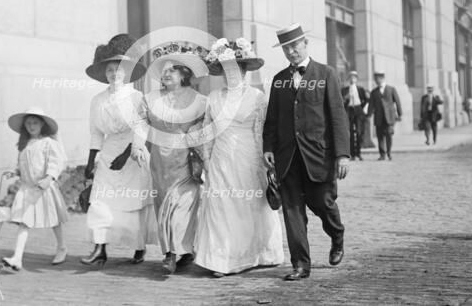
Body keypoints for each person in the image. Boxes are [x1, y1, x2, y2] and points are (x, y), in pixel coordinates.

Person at [263, 23, 350, 281]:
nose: (291, 52)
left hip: (318, 156)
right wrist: (268, 148)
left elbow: (338, 117)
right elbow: (272, 119)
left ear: (305, 44)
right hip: (287, 157)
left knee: (323, 202)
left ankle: (337, 234)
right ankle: (301, 264)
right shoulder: (279, 80)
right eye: (286, 48)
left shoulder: (326, 74)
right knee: (292, 211)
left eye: (294, 46)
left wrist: (342, 155)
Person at [195, 38, 285, 278]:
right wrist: (206, 158)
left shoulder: (257, 98)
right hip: (220, 158)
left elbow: (264, 130)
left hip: (248, 157)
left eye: (236, 69)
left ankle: (257, 253)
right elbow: (208, 130)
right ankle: (222, 260)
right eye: (226, 70)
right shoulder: (213, 97)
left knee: (250, 206)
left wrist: (266, 161)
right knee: (220, 207)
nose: (231, 74)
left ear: (244, 70)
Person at [82, 34, 157, 267]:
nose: (114, 75)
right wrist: (91, 160)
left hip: (133, 152)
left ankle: (138, 247)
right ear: (105, 74)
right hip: (107, 154)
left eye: (119, 70)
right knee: (100, 201)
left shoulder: (136, 98)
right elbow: (96, 132)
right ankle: (100, 248)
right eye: (110, 71)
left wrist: (126, 156)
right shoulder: (97, 101)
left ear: (126, 73)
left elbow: (141, 127)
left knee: (131, 203)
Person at [142, 46, 208, 273]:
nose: (166, 74)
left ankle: (177, 252)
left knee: (182, 206)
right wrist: (137, 145)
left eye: (172, 70)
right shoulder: (151, 98)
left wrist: (201, 150)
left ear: (184, 74)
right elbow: (140, 124)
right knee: (163, 207)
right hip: (160, 161)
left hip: (186, 159)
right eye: (164, 70)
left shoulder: (199, 100)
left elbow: (204, 125)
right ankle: (175, 251)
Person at [1, 107, 69, 271]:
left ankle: (61, 247)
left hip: (44, 188)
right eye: (28, 123)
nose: (31, 126)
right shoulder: (24, 145)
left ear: (42, 125)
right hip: (28, 189)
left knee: (54, 220)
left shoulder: (48, 143)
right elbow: (24, 165)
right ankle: (17, 258)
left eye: (35, 123)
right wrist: (15, 171)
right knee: (24, 222)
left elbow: (56, 162)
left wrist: (49, 177)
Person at [367, 71, 402, 160]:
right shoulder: (374, 92)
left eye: (378, 79)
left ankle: (389, 153)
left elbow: (397, 102)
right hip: (379, 117)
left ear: (382, 79)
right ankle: (382, 154)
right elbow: (371, 104)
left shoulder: (391, 89)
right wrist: (369, 115)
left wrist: (400, 113)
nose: (376, 81)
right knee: (380, 136)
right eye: (375, 79)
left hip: (390, 117)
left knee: (389, 135)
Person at [341, 71, 369, 160]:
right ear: (349, 79)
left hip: (358, 110)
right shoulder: (344, 90)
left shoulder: (360, 89)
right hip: (349, 111)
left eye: (354, 78)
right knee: (350, 133)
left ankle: (359, 153)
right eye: (351, 77)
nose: (352, 79)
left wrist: (362, 109)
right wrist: (346, 98)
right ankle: (352, 154)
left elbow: (366, 100)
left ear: (357, 79)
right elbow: (340, 101)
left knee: (359, 132)